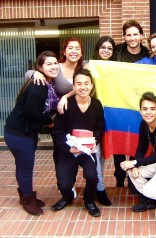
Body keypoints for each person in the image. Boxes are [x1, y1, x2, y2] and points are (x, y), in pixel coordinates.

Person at [25, 37, 85, 200]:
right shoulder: (55, 66)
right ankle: (64, 184)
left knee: (78, 149)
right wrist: (36, 72)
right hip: (58, 119)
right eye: (70, 48)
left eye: (77, 48)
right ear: (64, 51)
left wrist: (66, 96)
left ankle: (73, 180)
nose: (74, 51)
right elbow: (28, 73)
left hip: (78, 116)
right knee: (61, 151)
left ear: (81, 52)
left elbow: (89, 82)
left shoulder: (84, 66)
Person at [4, 51, 59, 216]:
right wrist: (50, 121)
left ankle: (26, 195)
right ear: (40, 67)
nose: (54, 66)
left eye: (55, 63)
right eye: (48, 64)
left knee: (22, 166)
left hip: (24, 131)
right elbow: (30, 111)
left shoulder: (47, 83)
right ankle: (28, 200)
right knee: (26, 167)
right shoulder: (39, 84)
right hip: (19, 133)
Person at [51, 69, 104, 217]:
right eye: (79, 84)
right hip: (69, 150)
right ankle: (67, 197)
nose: (83, 87)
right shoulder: (66, 105)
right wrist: (69, 148)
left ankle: (89, 201)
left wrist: (95, 142)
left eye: (86, 83)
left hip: (87, 151)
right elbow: (57, 132)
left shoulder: (96, 105)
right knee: (64, 184)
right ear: (73, 87)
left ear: (92, 85)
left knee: (93, 176)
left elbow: (99, 128)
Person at [114, 20, 149, 189]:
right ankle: (119, 176)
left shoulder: (149, 54)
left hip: (141, 104)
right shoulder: (116, 52)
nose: (132, 38)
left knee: (139, 140)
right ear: (124, 37)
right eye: (128, 35)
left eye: (135, 34)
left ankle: (135, 179)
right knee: (120, 138)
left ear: (141, 36)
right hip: (120, 101)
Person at [89, 36, 117, 206]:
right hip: (92, 115)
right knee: (96, 152)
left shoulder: (116, 68)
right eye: (103, 47)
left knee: (103, 154)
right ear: (97, 49)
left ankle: (97, 184)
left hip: (110, 115)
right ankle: (99, 188)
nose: (106, 50)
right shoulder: (90, 66)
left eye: (110, 48)